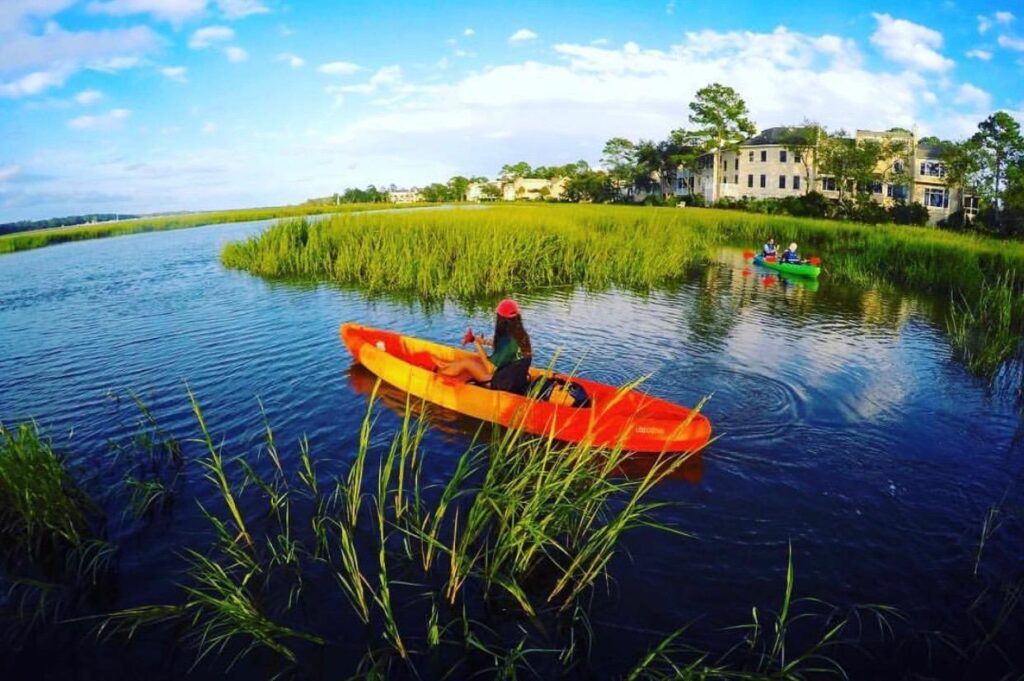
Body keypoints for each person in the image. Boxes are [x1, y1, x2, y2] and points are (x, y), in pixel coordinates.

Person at [436, 298, 533, 392]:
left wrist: (476, 343)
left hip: (502, 385)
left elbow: (490, 369)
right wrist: (485, 341)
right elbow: (507, 349)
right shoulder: (522, 336)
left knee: (467, 363)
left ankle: (437, 372)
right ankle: (448, 366)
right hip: (520, 381)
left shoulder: (506, 341)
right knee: (478, 361)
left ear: (501, 319)